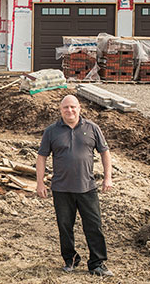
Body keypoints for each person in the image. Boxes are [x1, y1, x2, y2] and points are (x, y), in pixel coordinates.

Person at [36, 94, 114, 277]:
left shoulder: (92, 128)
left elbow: (105, 153)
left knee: (94, 226)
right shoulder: (51, 131)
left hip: (87, 188)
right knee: (65, 226)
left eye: (73, 107)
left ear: (79, 108)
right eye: (66, 108)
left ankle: (97, 263)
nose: (69, 110)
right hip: (61, 189)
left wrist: (107, 177)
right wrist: (40, 183)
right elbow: (41, 157)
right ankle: (70, 259)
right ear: (60, 110)